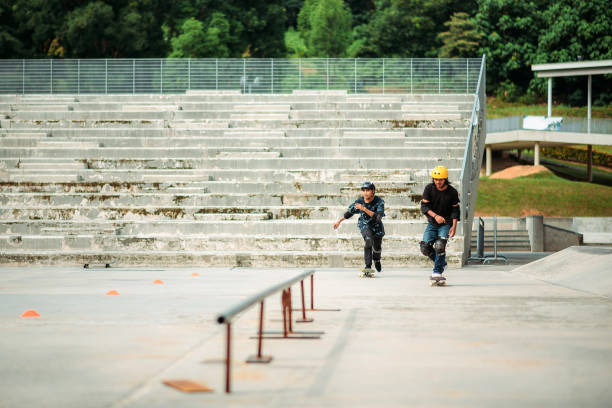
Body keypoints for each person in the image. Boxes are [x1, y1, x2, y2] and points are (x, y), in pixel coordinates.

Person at [333, 181, 385, 275]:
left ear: (373, 191)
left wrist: (364, 209)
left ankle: (376, 260)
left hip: (377, 226)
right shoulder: (359, 201)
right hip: (365, 224)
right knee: (368, 240)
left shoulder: (379, 201)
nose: (365, 193)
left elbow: (378, 217)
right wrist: (339, 221)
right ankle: (368, 266)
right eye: (364, 190)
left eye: (368, 190)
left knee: (377, 247)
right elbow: (349, 213)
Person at [419, 166, 460, 283]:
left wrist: (454, 226)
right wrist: (435, 216)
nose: (438, 182)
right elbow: (424, 207)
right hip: (432, 223)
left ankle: (437, 271)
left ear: (445, 179)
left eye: (440, 179)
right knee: (425, 248)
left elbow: (455, 211)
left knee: (439, 246)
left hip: (446, 224)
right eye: (436, 179)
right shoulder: (429, 189)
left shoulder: (452, 192)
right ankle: (442, 262)